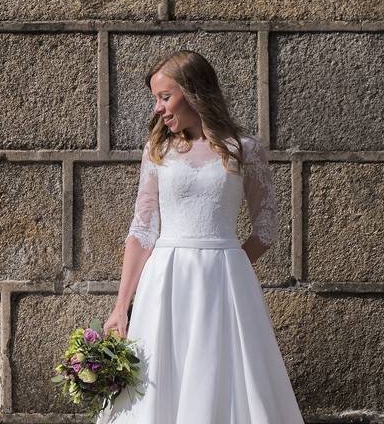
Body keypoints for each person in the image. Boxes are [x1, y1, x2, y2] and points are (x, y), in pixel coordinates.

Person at [97, 50, 304, 423]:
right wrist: (120, 306)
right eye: (155, 99)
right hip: (165, 282)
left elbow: (267, 226)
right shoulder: (157, 151)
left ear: (194, 92)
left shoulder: (244, 149)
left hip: (223, 282)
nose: (158, 108)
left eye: (165, 96)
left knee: (224, 376)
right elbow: (142, 230)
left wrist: (229, 262)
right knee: (159, 378)